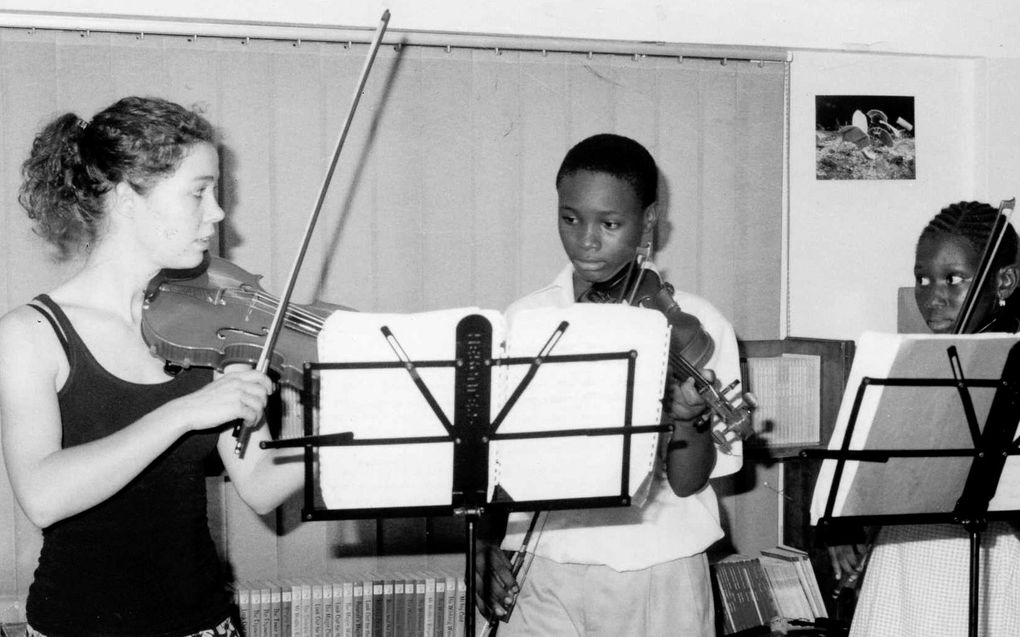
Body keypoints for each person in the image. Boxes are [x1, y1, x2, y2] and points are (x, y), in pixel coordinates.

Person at [0, 96, 305, 637]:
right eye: (198, 192)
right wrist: (182, 413)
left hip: (204, 625)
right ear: (125, 198)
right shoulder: (31, 334)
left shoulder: (214, 326)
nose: (217, 213)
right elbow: (43, 497)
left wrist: (309, 413)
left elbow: (259, 484)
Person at [475, 133, 744, 637]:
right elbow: (497, 458)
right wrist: (485, 541)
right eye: (570, 218)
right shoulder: (526, 318)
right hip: (541, 564)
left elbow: (687, 482)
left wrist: (687, 419)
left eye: (610, 223)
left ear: (648, 222)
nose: (586, 241)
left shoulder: (697, 326)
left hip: (656, 567)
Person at [838, 201, 1020, 636]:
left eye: (954, 280)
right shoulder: (910, 361)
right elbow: (880, 469)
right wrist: (845, 523)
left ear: (1006, 280)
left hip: (991, 559)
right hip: (903, 556)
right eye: (923, 278)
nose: (933, 296)